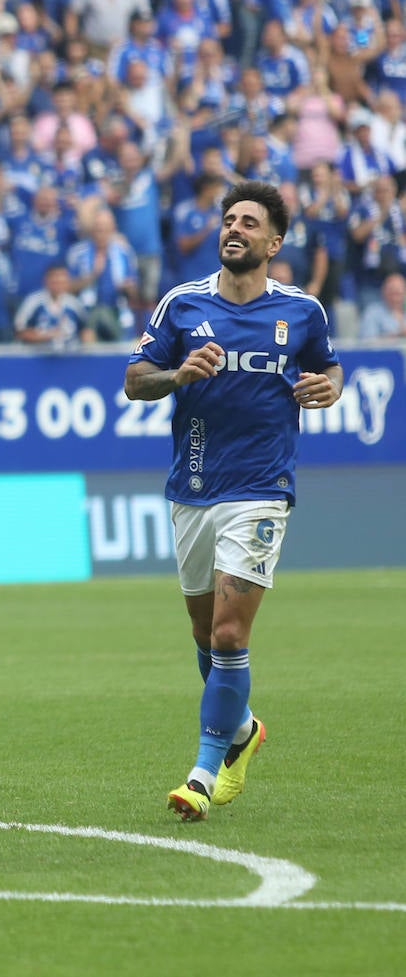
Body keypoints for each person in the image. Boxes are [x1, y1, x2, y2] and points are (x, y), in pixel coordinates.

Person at [124, 181, 343, 822]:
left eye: (249, 222)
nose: (234, 228)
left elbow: (330, 368)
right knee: (203, 633)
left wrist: (328, 389)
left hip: (262, 488)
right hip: (193, 487)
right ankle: (243, 729)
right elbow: (135, 381)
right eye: (228, 219)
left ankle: (202, 772)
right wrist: (178, 374)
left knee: (228, 631)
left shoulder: (302, 312)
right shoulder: (181, 306)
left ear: (273, 242)